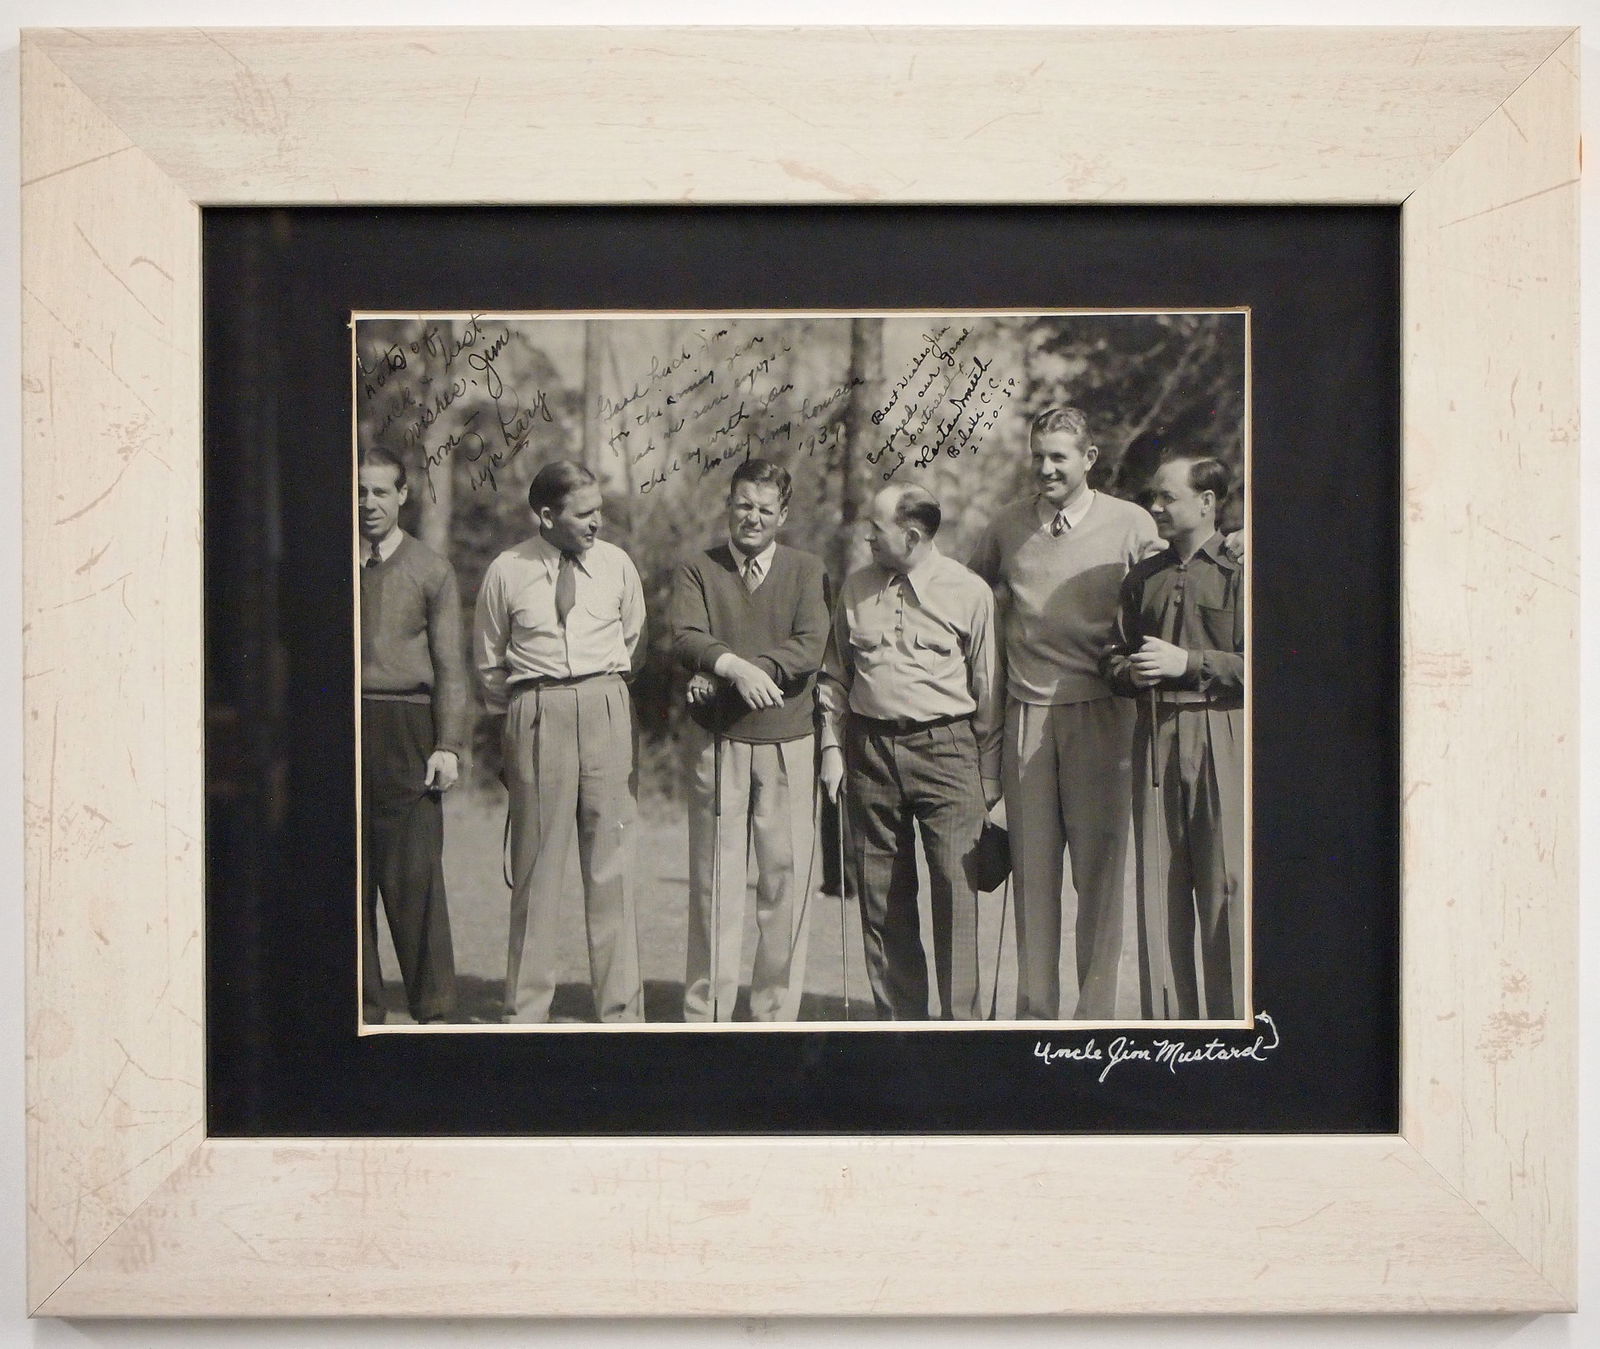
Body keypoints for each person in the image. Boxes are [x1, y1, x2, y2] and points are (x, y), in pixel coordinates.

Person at [969, 406, 1162, 1020]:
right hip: (1026, 715)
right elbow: (970, 596)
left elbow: (1169, 590)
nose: (1047, 468)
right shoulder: (1006, 527)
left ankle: (1094, 1020)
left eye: (1059, 456)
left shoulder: (1131, 524)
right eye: (1039, 456)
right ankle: (1034, 1017)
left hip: (1104, 717)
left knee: (1100, 879)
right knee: (1031, 877)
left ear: (1088, 460)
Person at [818, 484, 1001, 1020]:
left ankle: (960, 1031)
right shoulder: (855, 588)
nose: (867, 536)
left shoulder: (970, 593)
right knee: (881, 899)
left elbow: (989, 692)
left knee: (955, 894)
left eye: (877, 527)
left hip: (948, 753)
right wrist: (832, 748)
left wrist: (988, 781)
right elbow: (834, 678)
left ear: (912, 534)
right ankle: (900, 1033)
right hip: (870, 751)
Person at [472, 460, 645, 1024]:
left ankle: (621, 1011)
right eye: (585, 513)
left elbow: (633, 639)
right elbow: (489, 661)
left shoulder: (617, 564)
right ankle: (525, 1011)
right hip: (537, 711)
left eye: (600, 509)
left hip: (605, 707)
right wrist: (526, 715)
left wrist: (600, 695)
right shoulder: (507, 570)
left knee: (610, 865)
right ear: (546, 516)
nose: (599, 522)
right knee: (536, 869)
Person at [670, 460, 830, 1021]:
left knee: (783, 882)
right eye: (743, 504)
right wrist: (734, 667)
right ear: (728, 505)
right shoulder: (698, 569)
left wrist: (750, 669)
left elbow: (810, 645)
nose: (752, 518)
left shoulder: (807, 570)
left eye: (765, 509)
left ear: (783, 515)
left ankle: (773, 1016)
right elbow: (688, 635)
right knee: (715, 880)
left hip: (789, 742)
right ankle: (707, 1014)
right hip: (719, 743)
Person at [1101, 454, 1246, 1021]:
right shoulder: (1143, 577)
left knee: (1223, 887)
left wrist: (1191, 662)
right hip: (1154, 734)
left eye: (1167, 498)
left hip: (1222, 732)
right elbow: (1111, 655)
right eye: (1152, 498)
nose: (1154, 508)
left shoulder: (1240, 572)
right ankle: (1167, 1033)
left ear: (1207, 502)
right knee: (1158, 893)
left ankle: (1232, 1028)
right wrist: (1127, 672)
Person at [358, 446, 465, 1025]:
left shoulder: (430, 569)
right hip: (344, 727)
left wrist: (448, 743)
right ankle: (362, 1013)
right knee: (347, 877)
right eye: (359, 490)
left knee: (415, 875)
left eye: (380, 491)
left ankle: (437, 1012)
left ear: (403, 495)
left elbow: (451, 666)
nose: (368, 502)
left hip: (407, 727)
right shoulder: (333, 563)